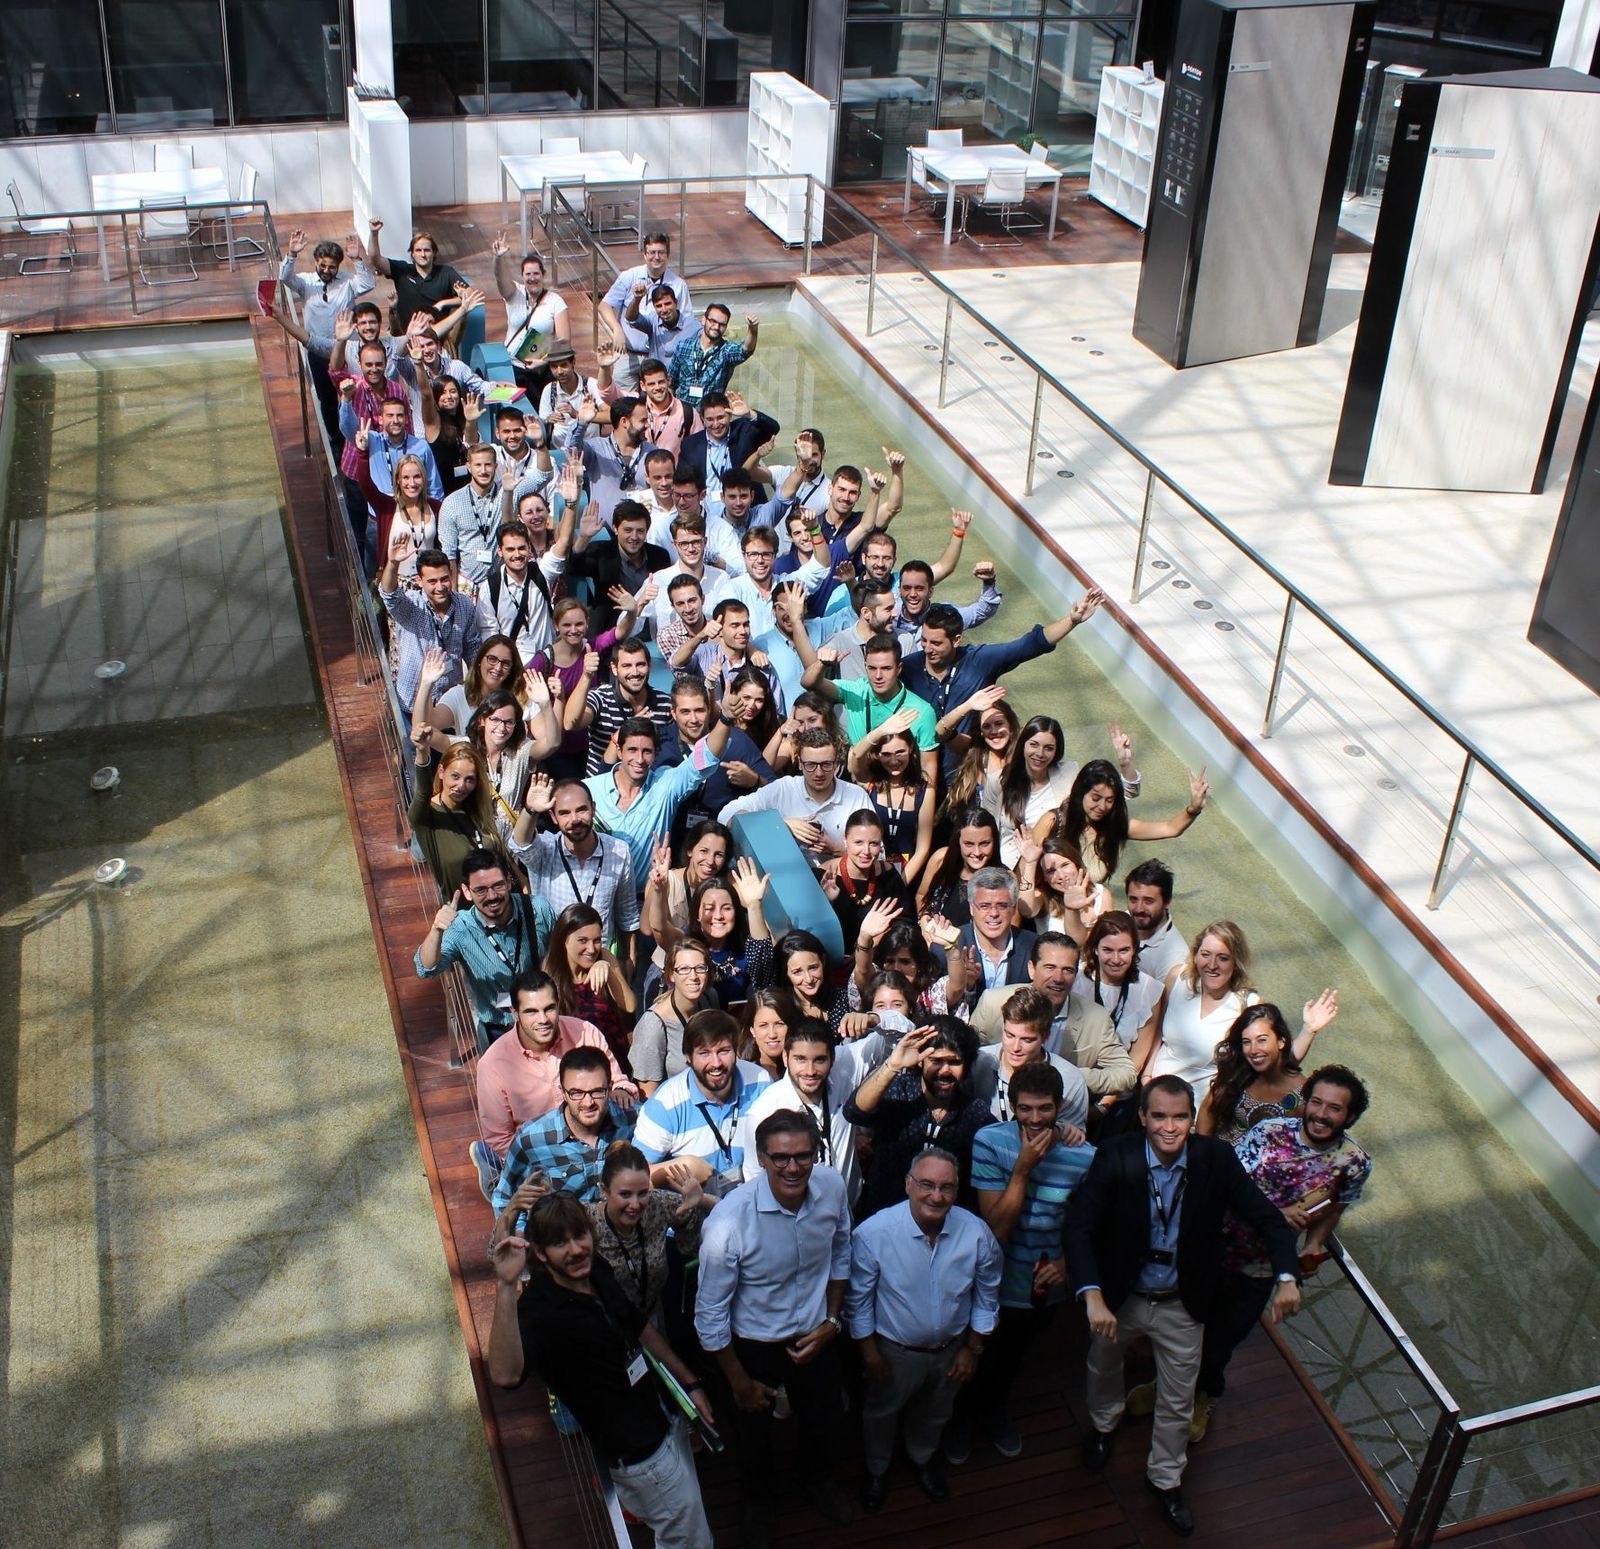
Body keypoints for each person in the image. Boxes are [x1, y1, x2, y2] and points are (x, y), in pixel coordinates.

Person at [1065, 1075, 1303, 1538]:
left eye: (1179, 1117)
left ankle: (1166, 1478)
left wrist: (1287, 1277)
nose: (1170, 1127)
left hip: (1182, 1301)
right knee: (1102, 1366)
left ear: (1193, 1119)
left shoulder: (1215, 1158)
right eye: (1159, 1117)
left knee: (1179, 1396)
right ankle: (1102, 1425)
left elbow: (1266, 1218)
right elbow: (1079, 1225)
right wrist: (1091, 1294)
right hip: (1120, 1297)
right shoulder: (1117, 1155)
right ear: (1142, 1118)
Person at [488, 1193, 715, 1549]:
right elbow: (504, 1375)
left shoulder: (595, 1270)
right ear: (541, 1254)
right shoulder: (539, 1312)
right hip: (640, 1454)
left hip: (661, 1415)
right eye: (560, 1243)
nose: (576, 1249)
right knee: (692, 1540)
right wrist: (504, 1285)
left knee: (679, 1521)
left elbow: (636, 1323)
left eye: (580, 1236)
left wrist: (690, 1382)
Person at [1188, 1065, 1372, 1441]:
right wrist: (1275, 1214)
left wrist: (1314, 1244)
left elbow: (1335, 1208)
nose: (1322, 1114)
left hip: (1260, 1265)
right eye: (1316, 1102)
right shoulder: (1270, 1132)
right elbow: (1227, 1182)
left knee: (1224, 1337)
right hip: (1214, 1244)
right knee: (1186, 1322)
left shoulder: (1354, 1163)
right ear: (1304, 1102)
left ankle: (1202, 1395)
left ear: (1350, 1116)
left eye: (1334, 1108)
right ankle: (1167, 1385)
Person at [696, 1108, 854, 1544]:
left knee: (824, 1420)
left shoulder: (832, 1187)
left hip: (816, 1332)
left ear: (816, 1155)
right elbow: (710, 1315)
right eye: (780, 1157)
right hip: (755, 1344)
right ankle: (758, 1502)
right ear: (761, 1159)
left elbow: (842, 1251)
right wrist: (739, 1381)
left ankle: (815, 1480)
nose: (792, 1167)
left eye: (803, 1156)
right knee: (752, 1435)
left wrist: (832, 1319)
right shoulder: (729, 1223)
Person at [848, 1146, 1002, 1510]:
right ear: (908, 1184)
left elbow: (987, 1296)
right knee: (881, 1412)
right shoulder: (874, 1234)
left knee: (936, 1411)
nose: (936, 1195)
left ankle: (922, 1459)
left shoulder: (976, 1233)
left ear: (957, 1188)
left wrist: (972, 1349)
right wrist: (869, 1354)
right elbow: (858, 1302)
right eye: (927, 1184)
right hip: (894, 1351)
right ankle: (877, 1469)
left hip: (952, 1350)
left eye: (946, 1187)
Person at [958, 1062, 1096, 1460]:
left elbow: (1090, 1226)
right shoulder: (989, 1141)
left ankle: (994, 1411)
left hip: (1041, 1284)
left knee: (1012, 1356)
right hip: (989, 1280)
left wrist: (1069, 1264)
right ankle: (961, 1420)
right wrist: (1022, 1170)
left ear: (1061, 1107)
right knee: (973, 1353)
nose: (1035, 1119)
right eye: (1026, 1109)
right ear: (1011, 1106)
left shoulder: (1084, 1156)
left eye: (1045, 1109)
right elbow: (995, 1228)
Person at [472, 971, 639, 1199]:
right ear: (514, 1013)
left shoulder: (585, 1032)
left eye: (549, 1008)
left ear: (559, 1004)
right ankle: (495, 1172)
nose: (543, 1019)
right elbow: (500, 1137)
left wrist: (620, 1089)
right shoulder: (493, 1065)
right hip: (541, 1158)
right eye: (531, 1011)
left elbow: (619, 1082)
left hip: (595, 1140)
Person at [906, 591, 1106, 777]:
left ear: (957, 640)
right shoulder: (909, 667)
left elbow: (1030, 645)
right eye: (924, 641)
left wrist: (1072, 621)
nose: (927, 649)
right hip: (916, 771)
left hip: (965, 775)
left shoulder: (980, 661)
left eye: (936, 643)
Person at [845, 1018, 995, 1219]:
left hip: (946, 1233)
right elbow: (854, 1111)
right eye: (936, 1061)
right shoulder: (898, 1091)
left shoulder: (976, 1115)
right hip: (884, 1227)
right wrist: (892, 1065)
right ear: (921, 1060)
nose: (944, 1071)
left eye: (954, 1062)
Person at [967, 932, 1137, 1102]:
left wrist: (1072, 1077)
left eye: (1068, 970)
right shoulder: (993, 1003)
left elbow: (1126, 1073)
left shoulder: (1095, 1018)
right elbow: (967, 1057)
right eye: (1050, 967)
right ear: (1032, 969)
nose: (1058, 978)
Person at [415, 849, 554, 1048]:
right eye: (480, 890)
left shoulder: (538, 909)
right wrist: (436, 930)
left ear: (508, 882)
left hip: (544, 1020)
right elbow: (425, 968)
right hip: (499, 1029)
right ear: (466, 892)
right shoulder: (461, 928)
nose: (492, 896)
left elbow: (564, 954)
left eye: (498, 885)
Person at [490, 1046, 637, 1223]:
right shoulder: (532, 1139)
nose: (588, 1102)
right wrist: (524, 1240)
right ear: (563, 1092)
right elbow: (504, 1201)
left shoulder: (634, 1121)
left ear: (610, 1087)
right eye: (577, 1093)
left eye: (597, 1091)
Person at [585, 714, 733, 888]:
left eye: (647, 751)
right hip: (596, 895)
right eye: (632, 750)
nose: (640, 760)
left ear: (656, 753)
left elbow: (704, 758)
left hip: (645, 898)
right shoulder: (589, 789)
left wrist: (725, 718)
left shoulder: (665, 785)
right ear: (619, 751)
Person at [633, 1009, 772, 1195]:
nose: (716, 1063)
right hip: (693, 1214)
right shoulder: (665, 1104)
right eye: (704, 1053)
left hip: (756, 1202)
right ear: (688, 1057)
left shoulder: (759, 1081)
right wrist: (683, 1167)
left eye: (723, 1051)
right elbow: (634, 1176)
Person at [511, 774, 640, 957]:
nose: (574, 819)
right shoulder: (545, 850)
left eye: (581, 810)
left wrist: (629, 961)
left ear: (593, 808)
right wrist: (530, 811)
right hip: (555, 961)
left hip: (600, 961)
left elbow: (627, 916)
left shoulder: (619, 851)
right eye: (564, 813)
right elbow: (521, 844)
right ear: (553, 817)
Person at [739, 1018, 864, 1206]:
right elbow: (755, 1184)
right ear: (785, 1058)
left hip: (851, 1213)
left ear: (833, 1059)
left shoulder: (843, 1075)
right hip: (793, 1224)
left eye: (820, 1060)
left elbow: (896, 1033)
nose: (810, 1071)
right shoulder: (763, 1113)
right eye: (800, 1060)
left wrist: (873, 1018)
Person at [796, 629, 940, 788]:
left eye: (886, 668)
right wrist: (822, 664)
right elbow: (809, 682)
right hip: (857, 785)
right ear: (865, 666)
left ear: (899, 669)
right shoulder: (856, 691)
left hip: (899, 790)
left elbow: (928, 769)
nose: (878, 676)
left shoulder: (922, 712)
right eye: (872, 668)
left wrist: (925, 809)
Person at [717, 725, 872, 869]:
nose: (819, 773)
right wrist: (779, 824)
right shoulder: (784, 788)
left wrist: (836, 849)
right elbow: (726, 814)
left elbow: (878, 856)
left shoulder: (856, 796)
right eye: (810, 765)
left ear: (837, 764)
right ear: (799, 764)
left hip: (841, 880)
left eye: (826, 764)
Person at [588, 1141, 709, 1323]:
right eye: (625, 1195)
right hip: (603, 1324)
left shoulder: (658, 1204)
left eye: (642, 1193)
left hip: (652, 1318)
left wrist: (701, 1202)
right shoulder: (585, 1221)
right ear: (604, 1191)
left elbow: (693, 1237)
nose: (635, 1205)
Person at [1055, 758, 1208, 889]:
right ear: (1081, 792)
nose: (1102, 806)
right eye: (1096, 798)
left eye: (1109, 800)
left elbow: (1170, 828)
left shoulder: (1117, 827)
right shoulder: (1056, 821)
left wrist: (1193, 809)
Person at [379, 533, 484, 718]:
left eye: (444, 579)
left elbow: (472, 648)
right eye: (432, 581)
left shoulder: (464, 604)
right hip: (412, 700)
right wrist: (393, 564)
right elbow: (389, 594)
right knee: (415, 746)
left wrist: (479, 687)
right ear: (419, 581)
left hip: (449, 700)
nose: (440, 586)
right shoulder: (411, 606)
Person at [970, 987, 1090, 1134]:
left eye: (1027, 1040)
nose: (1015, 1047)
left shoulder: (1071, 1079)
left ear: (1046, 1037)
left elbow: (1072, 1143)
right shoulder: (977, 1062)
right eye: (1010, 1035)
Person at [476, 487, 578, 660]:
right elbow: (489, 636)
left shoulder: (541, 572)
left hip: (545, 663)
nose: (517, 554)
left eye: (522, 548)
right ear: (500, 552)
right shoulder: (490, 587)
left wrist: (570, 505)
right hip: (511, 668)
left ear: (528, 548)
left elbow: (565, 542)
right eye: (510, 549)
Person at [542, 901, 637, 1069]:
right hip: (581, 1070)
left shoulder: (604, 957)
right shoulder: (550, 976)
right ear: (564, 940)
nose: (592, 949)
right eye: (583, 940)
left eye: (597, 940)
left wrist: (607, 969)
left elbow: (629, 1006)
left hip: (617, 1065)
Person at [1198, 1003, 1307, 1142]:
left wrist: (1309, 1030)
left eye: (1262, 1040)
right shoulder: (1240, 1073)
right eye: (1246, 1042)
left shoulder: (1303, 1094)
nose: (1253, 1050)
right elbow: (1208, 1111)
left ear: (1281, 1042)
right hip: (1216, 1157)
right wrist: (1201, 1153)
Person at [407, 738, 500, 898]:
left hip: (498, 904)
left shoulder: (477, 810)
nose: (462, 785)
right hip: (462, 915)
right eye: (455, 776)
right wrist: (422, 752)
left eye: (469, 779)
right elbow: (423, 792)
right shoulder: (426, 817)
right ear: (441, 772)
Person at [569, 637, 674, 776]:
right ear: (614, 668)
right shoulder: (601, 697)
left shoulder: (665, 703)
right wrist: (586, 676)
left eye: (640, 665)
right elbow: (571, 723)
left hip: (646, 788)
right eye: (627, 666)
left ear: (650, 665)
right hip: (602, 785)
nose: (635, 672)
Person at [630, 938, 721, 1096]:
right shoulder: (653, 1024)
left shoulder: (709, 999)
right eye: (684, 969)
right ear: (671, 975)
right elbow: (648, 1095)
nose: (693, 976)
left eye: (700, 968)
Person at [986, 714, 1078, 868]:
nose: (1040, 754)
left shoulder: (1070, 773)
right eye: (1034, 745)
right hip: (1007, 864)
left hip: (1052, 866)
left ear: (1057, 751)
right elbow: (987, 826)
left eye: (1048, 748)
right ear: (1023, 744)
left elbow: (1103, 799)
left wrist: (1125, 766)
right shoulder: (998, 781)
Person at [1072, 911, 1167, 1052]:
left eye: (1124, 950)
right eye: (1108, 950)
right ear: (1095, 949)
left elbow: (1138, 1057)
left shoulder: (1149, 990)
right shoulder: (1075, 980)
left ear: (1134, 949)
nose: (1116, 960)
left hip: (1123, 1070)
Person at [821, 810, 916, 947]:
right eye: (858, 842)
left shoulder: (888, 873)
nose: (866, 851)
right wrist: (828, 903)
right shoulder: (825, 875)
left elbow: (906, 921)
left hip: (879, 956)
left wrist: (882, 935)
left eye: (873, 843)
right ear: (845, 840)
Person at [493, 237, 570, 395]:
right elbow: (500, 279)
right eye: (528, 274)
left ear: (543, 275)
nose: (532, 278)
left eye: (536, 273)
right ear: (522, 276)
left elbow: (564, 341)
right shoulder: (515, 293)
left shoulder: (555, 301)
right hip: (512, 366)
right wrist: (499, 258)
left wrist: (542, 361)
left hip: (539, 370)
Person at [955, 867, 1037, 1011]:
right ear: (971, 908)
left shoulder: (1034, 946)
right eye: (985, 906)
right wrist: (967, 986)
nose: (993, 913)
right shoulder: (950, 947)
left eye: (1002, 906)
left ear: (1014, 908)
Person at [678, 391, 779, 505]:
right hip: (707, 511)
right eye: (710, 419)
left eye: (720, 417)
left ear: (730, 415)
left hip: (744, 507)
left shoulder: (743, 431)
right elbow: (684, 481)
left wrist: (749, 414)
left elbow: (773, 428)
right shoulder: (690, 444)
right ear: (702, 419)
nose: (716, 424)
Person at [369, 223, 471, 332]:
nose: (423, 254)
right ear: (412, 253)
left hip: (436, 338)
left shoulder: (446, 273)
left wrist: (444, 303)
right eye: (418, 250)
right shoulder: (402, 270)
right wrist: (374, 233)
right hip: (406, 338)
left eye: (427, 250)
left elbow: (471, 295)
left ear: (434, 253)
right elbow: (375, 259)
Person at [917, 806, 1002, 928]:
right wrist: (924, 920)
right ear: (958, 841)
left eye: (984, 844)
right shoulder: (941, 860)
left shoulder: (1005, 879)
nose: (977, 852)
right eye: (969, 844)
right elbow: (921, 896)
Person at [670, 302, 759, 406]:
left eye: (722, 324)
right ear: (704, 320)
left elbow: (746, 349)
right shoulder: (684, 346)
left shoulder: (726, 351)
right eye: (713, 321)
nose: (716, 327)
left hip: (711, 416)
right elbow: (671, 382)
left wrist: (753, 329)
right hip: (683, 413)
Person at [1126, 858, 1187, 984]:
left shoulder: (1175, 957)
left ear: (1167, 902)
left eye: (1149, 901)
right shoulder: (1121, 921)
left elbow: (1162, 1002)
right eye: (1133, 899)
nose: (1139, 909)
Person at [634, 356, 701, 459]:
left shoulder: (687, 413)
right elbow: (607, 393)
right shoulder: (635, 407)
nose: (657, 387)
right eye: (651, 384)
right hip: (642, 473)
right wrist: (604, 368)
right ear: (643, 386)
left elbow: (699, 447)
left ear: (668, 380)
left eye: (661, 382)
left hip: (674, 473)